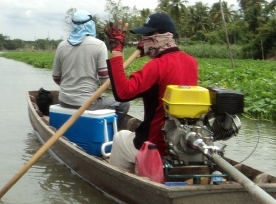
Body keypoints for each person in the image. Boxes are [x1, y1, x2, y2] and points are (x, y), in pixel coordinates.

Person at [104, 12, 198, 172]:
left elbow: (122, 93)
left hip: (154, 144)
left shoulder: (156, 66)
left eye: (147, 35)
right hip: (180, 144)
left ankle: (120, 182)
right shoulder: (192, 62)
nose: (144, 40)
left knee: (120, 138)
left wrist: (117, 52)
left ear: (159, 37)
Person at [52, 10, 129, 119]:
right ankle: (113, 132)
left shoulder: (61, 46)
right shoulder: (99, 45)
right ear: (91, 25)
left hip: (64, 100)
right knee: (124, 104)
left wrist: (72, 88)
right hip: (88, 104)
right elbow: (105, 80)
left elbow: (56, 78)